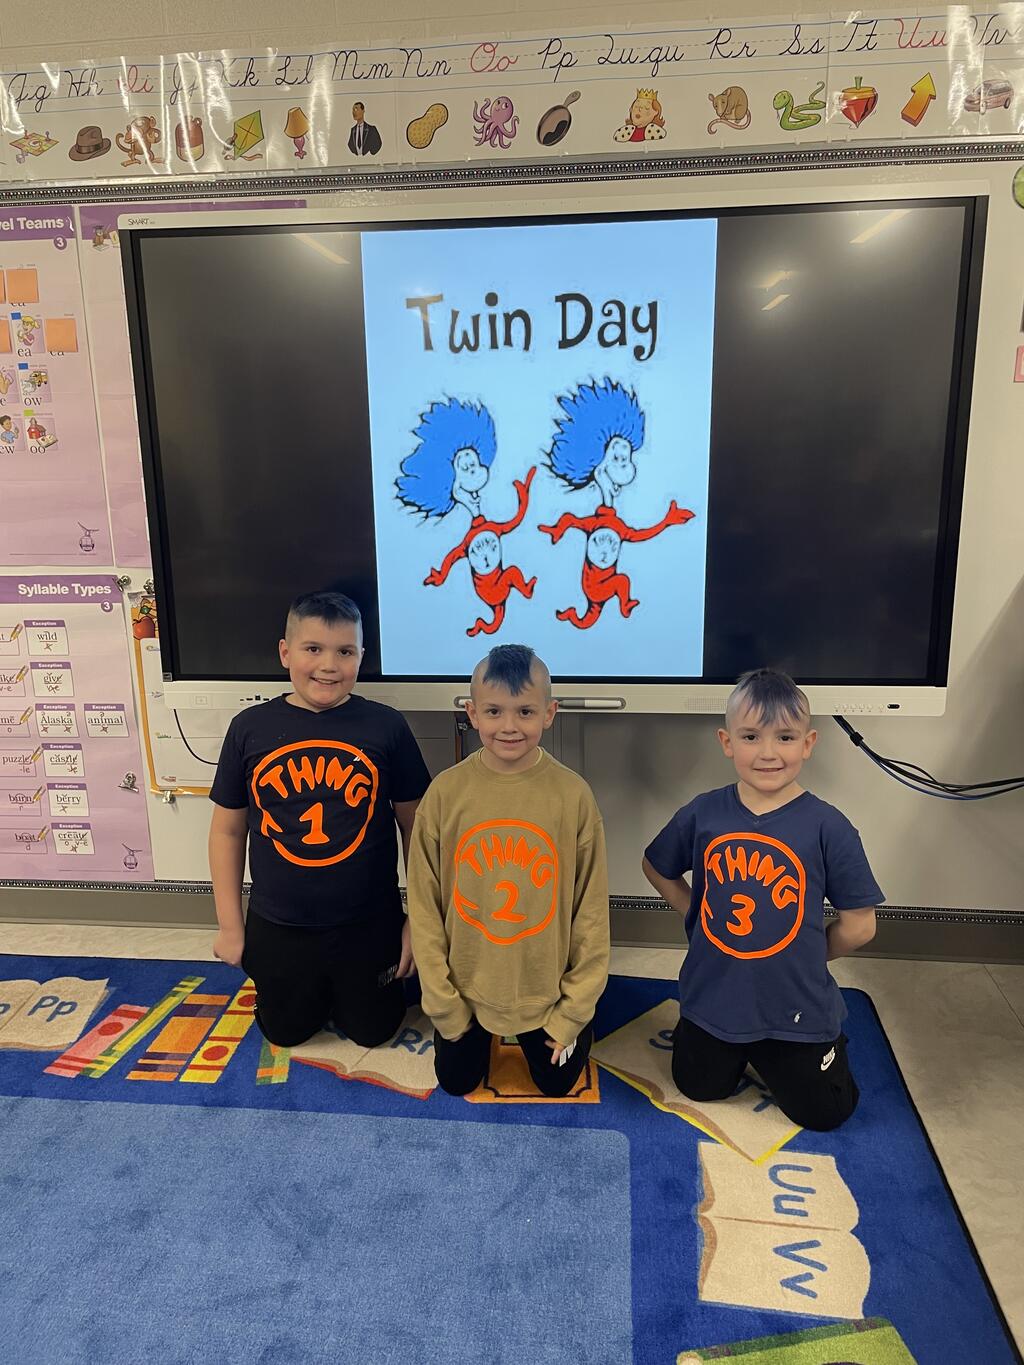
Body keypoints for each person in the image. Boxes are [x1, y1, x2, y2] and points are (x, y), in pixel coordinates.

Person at [642, 668, 881, 1131]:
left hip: (796, 1007)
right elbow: (657, 866)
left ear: (808, 744)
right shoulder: (704, 812)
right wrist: (695, 913)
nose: (768, 752)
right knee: (697, 1087)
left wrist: (808, 953)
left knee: (827, 1114)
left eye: (785, 737)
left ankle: (825, 1043)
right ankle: (721, 1038)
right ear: (727, 742)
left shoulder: (829, 827)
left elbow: (860, 925)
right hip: (714, 998)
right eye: (751, 736)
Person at [208, 590, 431, 1048]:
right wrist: (230, 927)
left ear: (361, 656)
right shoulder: (248, 728)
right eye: (313, 649)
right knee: (284, 1033)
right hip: (279, 926)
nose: (329, 665)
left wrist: (420, 920)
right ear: (285, 652)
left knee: (375, 1033)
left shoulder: (387, 726)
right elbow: (227, 831)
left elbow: (418, 828)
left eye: (345, 652)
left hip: (370, 923)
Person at [406, 644, 609, 1096]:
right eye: (494, 711)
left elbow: (592, 914)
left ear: (549, 713)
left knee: (557, 1084)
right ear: (472, 713)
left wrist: (572, 1013)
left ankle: (578, 1025)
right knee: (456, 1082)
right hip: (466, 991)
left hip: (547, 993)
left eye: (525, 711)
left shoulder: (573, 796)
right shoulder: (444, 794)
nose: (509, 726)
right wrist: (443, 1005)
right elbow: (424, 906)